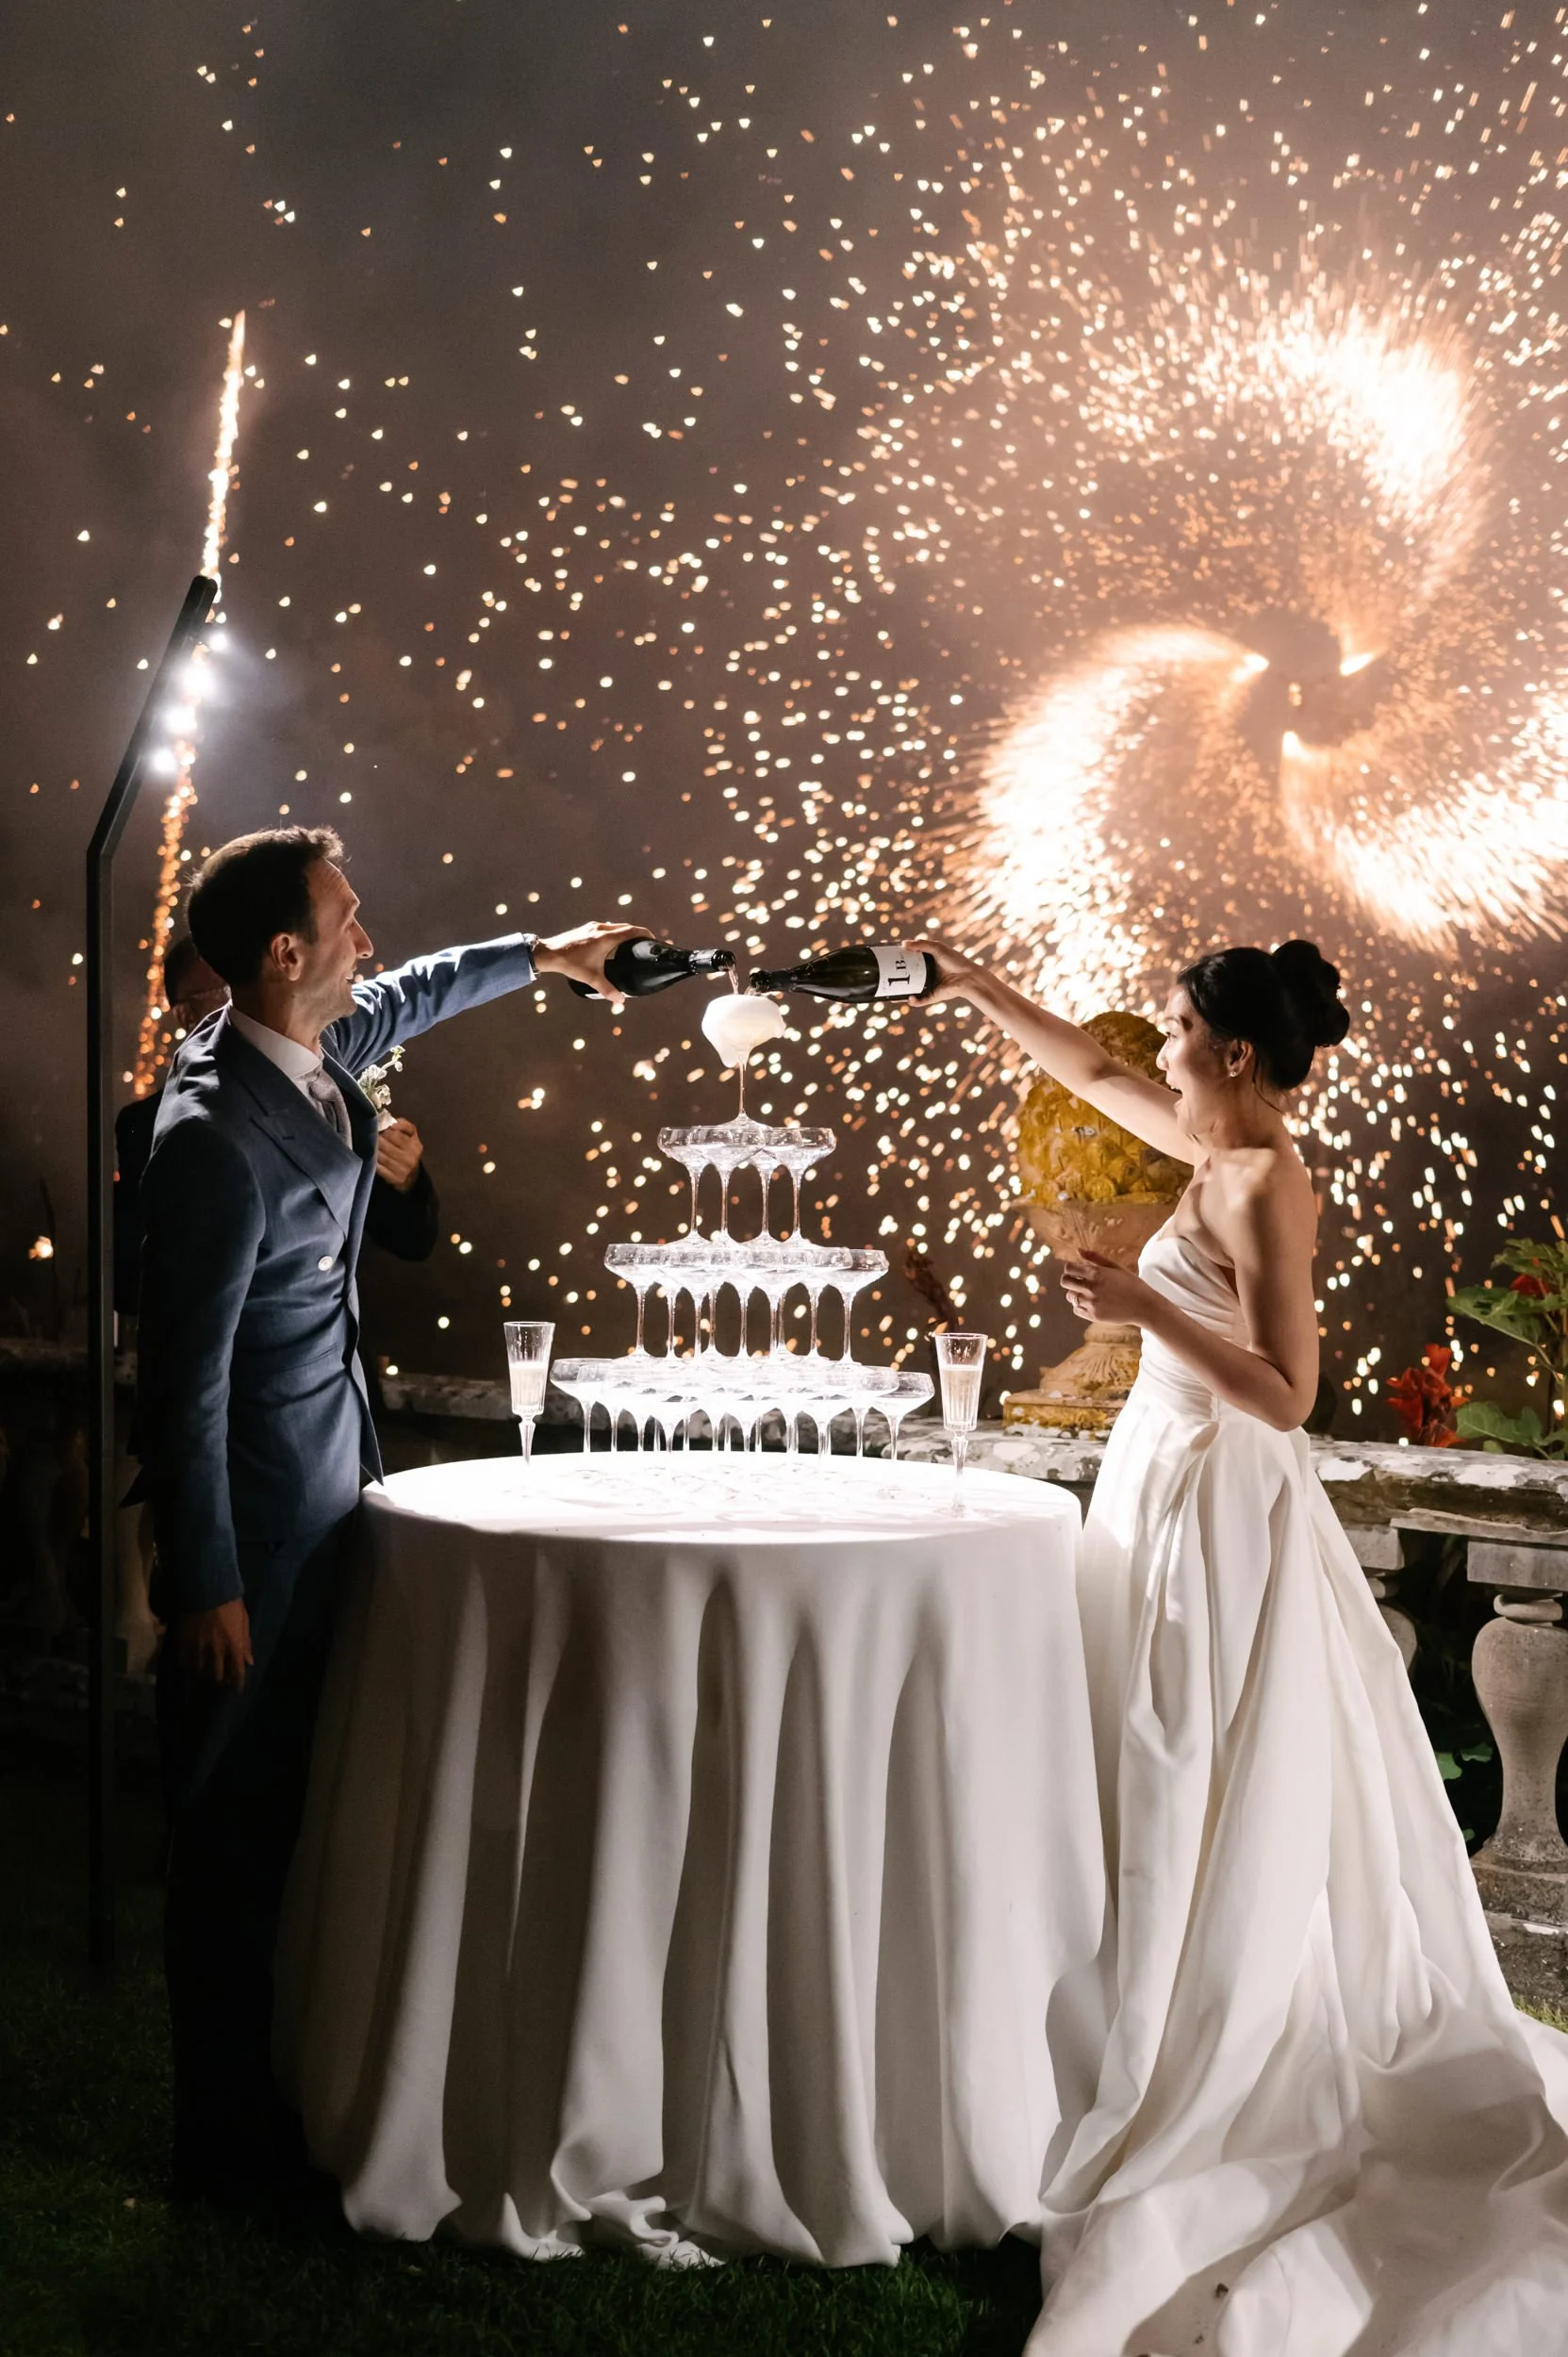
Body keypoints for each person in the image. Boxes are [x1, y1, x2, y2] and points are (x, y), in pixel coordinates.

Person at [912, 933, 1568, 2355]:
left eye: (1174, 1022)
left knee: (1186, 1758)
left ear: (1224, 1049)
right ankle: (1101, 2006)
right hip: (1153, 1479)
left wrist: (1143, 1307)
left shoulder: (1267, 1181)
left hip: (1221, 1503)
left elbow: (1285, 1396)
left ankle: (1191, 2037)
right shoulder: (1202, 1148)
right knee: (1131, 1751)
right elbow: (1084, 1067)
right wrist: (968, 984)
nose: (1151, 1039)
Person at [138, 825, 646, 2198]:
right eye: (346, 922)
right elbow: (179, 1389)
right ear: (283, 953)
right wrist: (206, 1586)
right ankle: (223, 2149)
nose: (370, 941)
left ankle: (300, 2099)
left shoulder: (303, 1065)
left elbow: (411, 990)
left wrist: (545, 957)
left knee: (302, 1821)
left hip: (334, 1503)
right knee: (229, 1840)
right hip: (256, 1541)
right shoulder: (206, 1140)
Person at [117, 940, 440, 1308]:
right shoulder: (149, 1124)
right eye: (227, 990)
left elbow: (414, 1242)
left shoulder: (325, 1091)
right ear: (185, 1015)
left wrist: (406, 1179)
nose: (246, 999)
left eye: (251, 981)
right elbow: (132, 1279)